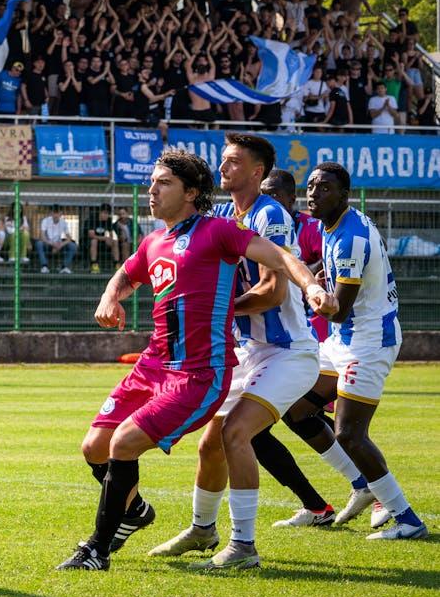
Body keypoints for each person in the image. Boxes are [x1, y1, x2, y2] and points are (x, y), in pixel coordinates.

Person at [56, 150, 336, 571]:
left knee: (123, 444)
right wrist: (109, 297)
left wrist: (311, 287)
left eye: (163, 183)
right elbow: (127, 274)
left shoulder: (218, 231)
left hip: (198, 373)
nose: (152, 190)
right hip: (153, 364)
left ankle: (96, 549)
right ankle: (135, 512)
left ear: (190, 192)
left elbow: (279, 257)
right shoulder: (154, 241)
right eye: (152, 182)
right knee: (94, 448)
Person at [149, 135, 342, 569]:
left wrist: (213, 310)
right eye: (222, 161)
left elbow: (272, 293)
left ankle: (244, 547)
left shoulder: (270, 213)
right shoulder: (218, 214)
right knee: (209, 446)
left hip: (287, 351)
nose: (223, 168)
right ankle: (203, 530)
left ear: (257, 172)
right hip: (249, 350)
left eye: (233, 162)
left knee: (238, 434)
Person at [291, 163, 427, 541]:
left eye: (325, 188)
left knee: (350, 434)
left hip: (368, 339)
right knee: (296, 407)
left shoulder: (350, 237)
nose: (314, 194)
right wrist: (319, 278)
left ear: (344, 195)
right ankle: (362, 485)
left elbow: (339, 310)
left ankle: (407, 518)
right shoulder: (333, 223)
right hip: (345, 339)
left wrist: (307, 292)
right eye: (312, 186)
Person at [36, 205, 77, 274]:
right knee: (39, 243)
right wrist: (52, 244)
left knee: (73, 246)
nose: (56, 215)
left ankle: (64, 267)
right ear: (51, 213)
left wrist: (61, 245)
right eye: (54, 213)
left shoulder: (63, 222)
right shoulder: (45, 221)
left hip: (59, 244)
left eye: (58, 213)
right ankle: (44, 266)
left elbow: (69, 238)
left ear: (61, 213)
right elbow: (42, 237)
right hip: (48, 243)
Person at [84, 203, 117, 273]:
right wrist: (105, 238)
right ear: (100, 212)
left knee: (115, 241)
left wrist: (110, 239)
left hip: (102, 242)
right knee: (94, 241)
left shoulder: (108, 220)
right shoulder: (92, 219)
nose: (106, 215)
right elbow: (91, 235)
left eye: (108, 214)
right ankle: (94, 264)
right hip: (89, 243)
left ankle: (116, 264)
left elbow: (111, 234)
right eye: (104, 213)